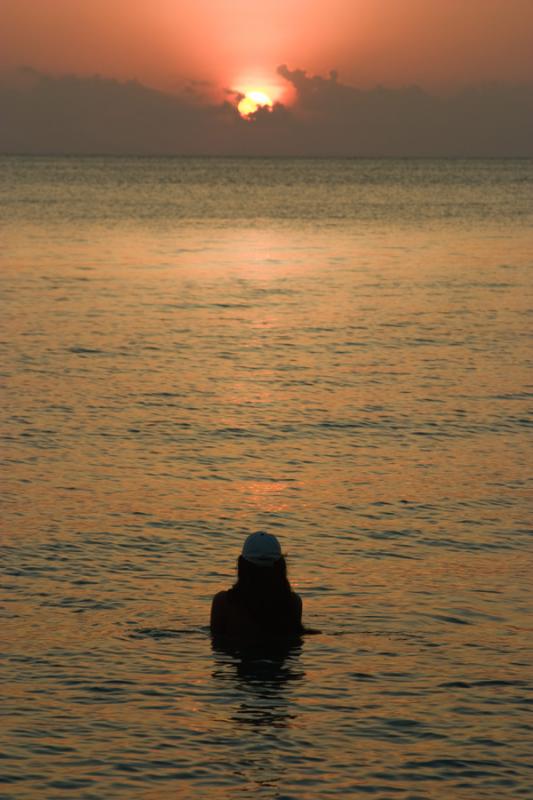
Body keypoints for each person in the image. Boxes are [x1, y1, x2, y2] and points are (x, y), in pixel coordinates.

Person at [210, 531, 304, 640]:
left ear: (241, 565)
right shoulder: (293, 603)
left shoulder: (223, 603)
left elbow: (217, 645)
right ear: (281, 566)